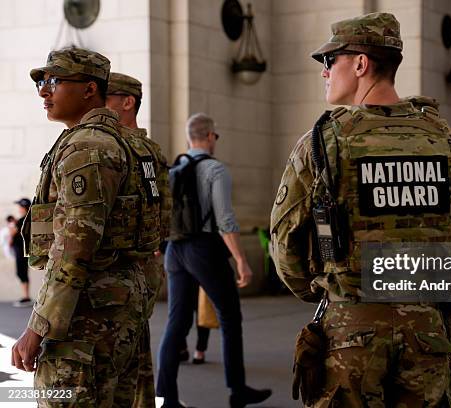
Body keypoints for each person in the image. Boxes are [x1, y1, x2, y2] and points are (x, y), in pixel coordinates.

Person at [270, 12, 451, 407]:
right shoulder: (446, 141)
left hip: (352, 329)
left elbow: (286, 242)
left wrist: (321, 288)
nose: (325, 72)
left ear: (361, 64)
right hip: (427, 328)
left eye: (330, 61)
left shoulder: (322, 142)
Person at [11, 46, 159, 407]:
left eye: (54, 81)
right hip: (117, 308)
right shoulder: (126, 143)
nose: (44, 92)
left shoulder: (87, 148)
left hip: (85, 318)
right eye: (41, 83)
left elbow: (73, 250)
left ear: (90, 89)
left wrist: (38, 327)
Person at [157, 113, 271, 408]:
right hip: (204, 250)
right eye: (215, 136)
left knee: (176, 323)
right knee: (229, 317)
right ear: (209, 136)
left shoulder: (175, 168)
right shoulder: (215, 169)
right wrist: (242, 261)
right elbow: (225, 220)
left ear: (188, 138)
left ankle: (164, 397)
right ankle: (237, 389)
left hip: (175, 249)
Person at [106, 71, 171, 408]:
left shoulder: (117, 149)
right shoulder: (152, 152)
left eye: (107, 98)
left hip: (117, 277)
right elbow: (164, 219)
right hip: (143, 273)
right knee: (136, 358)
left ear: (127, 102)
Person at [11, 198, 32, 307]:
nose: (18, 208)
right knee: (22, 272)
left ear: (24, 208)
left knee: (21, 272)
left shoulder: (22, 220)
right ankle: (26, 296)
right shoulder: (28, 219)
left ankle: (26, 297)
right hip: (24, 250)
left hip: (21, 251)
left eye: (20, 206)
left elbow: (12, 234)